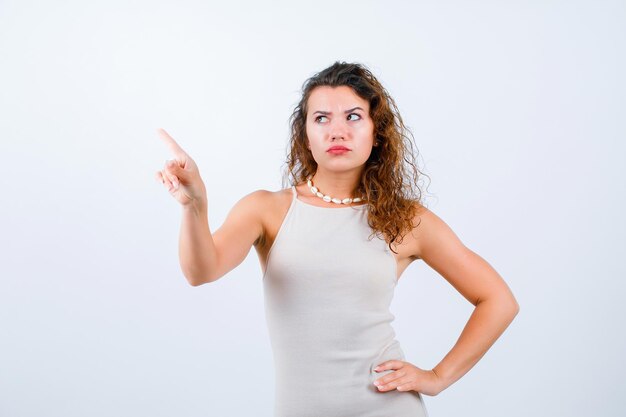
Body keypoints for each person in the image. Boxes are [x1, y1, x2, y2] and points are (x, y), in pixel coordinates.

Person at [155, 61, 520, 417]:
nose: (337, 131)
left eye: (353, 116)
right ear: (306, 136)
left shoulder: (407, 221)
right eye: (321, 118)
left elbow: (498, 300)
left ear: (377, 133)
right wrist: (194, 206)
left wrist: (438, 377)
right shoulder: (266, 210)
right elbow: (200, 271)